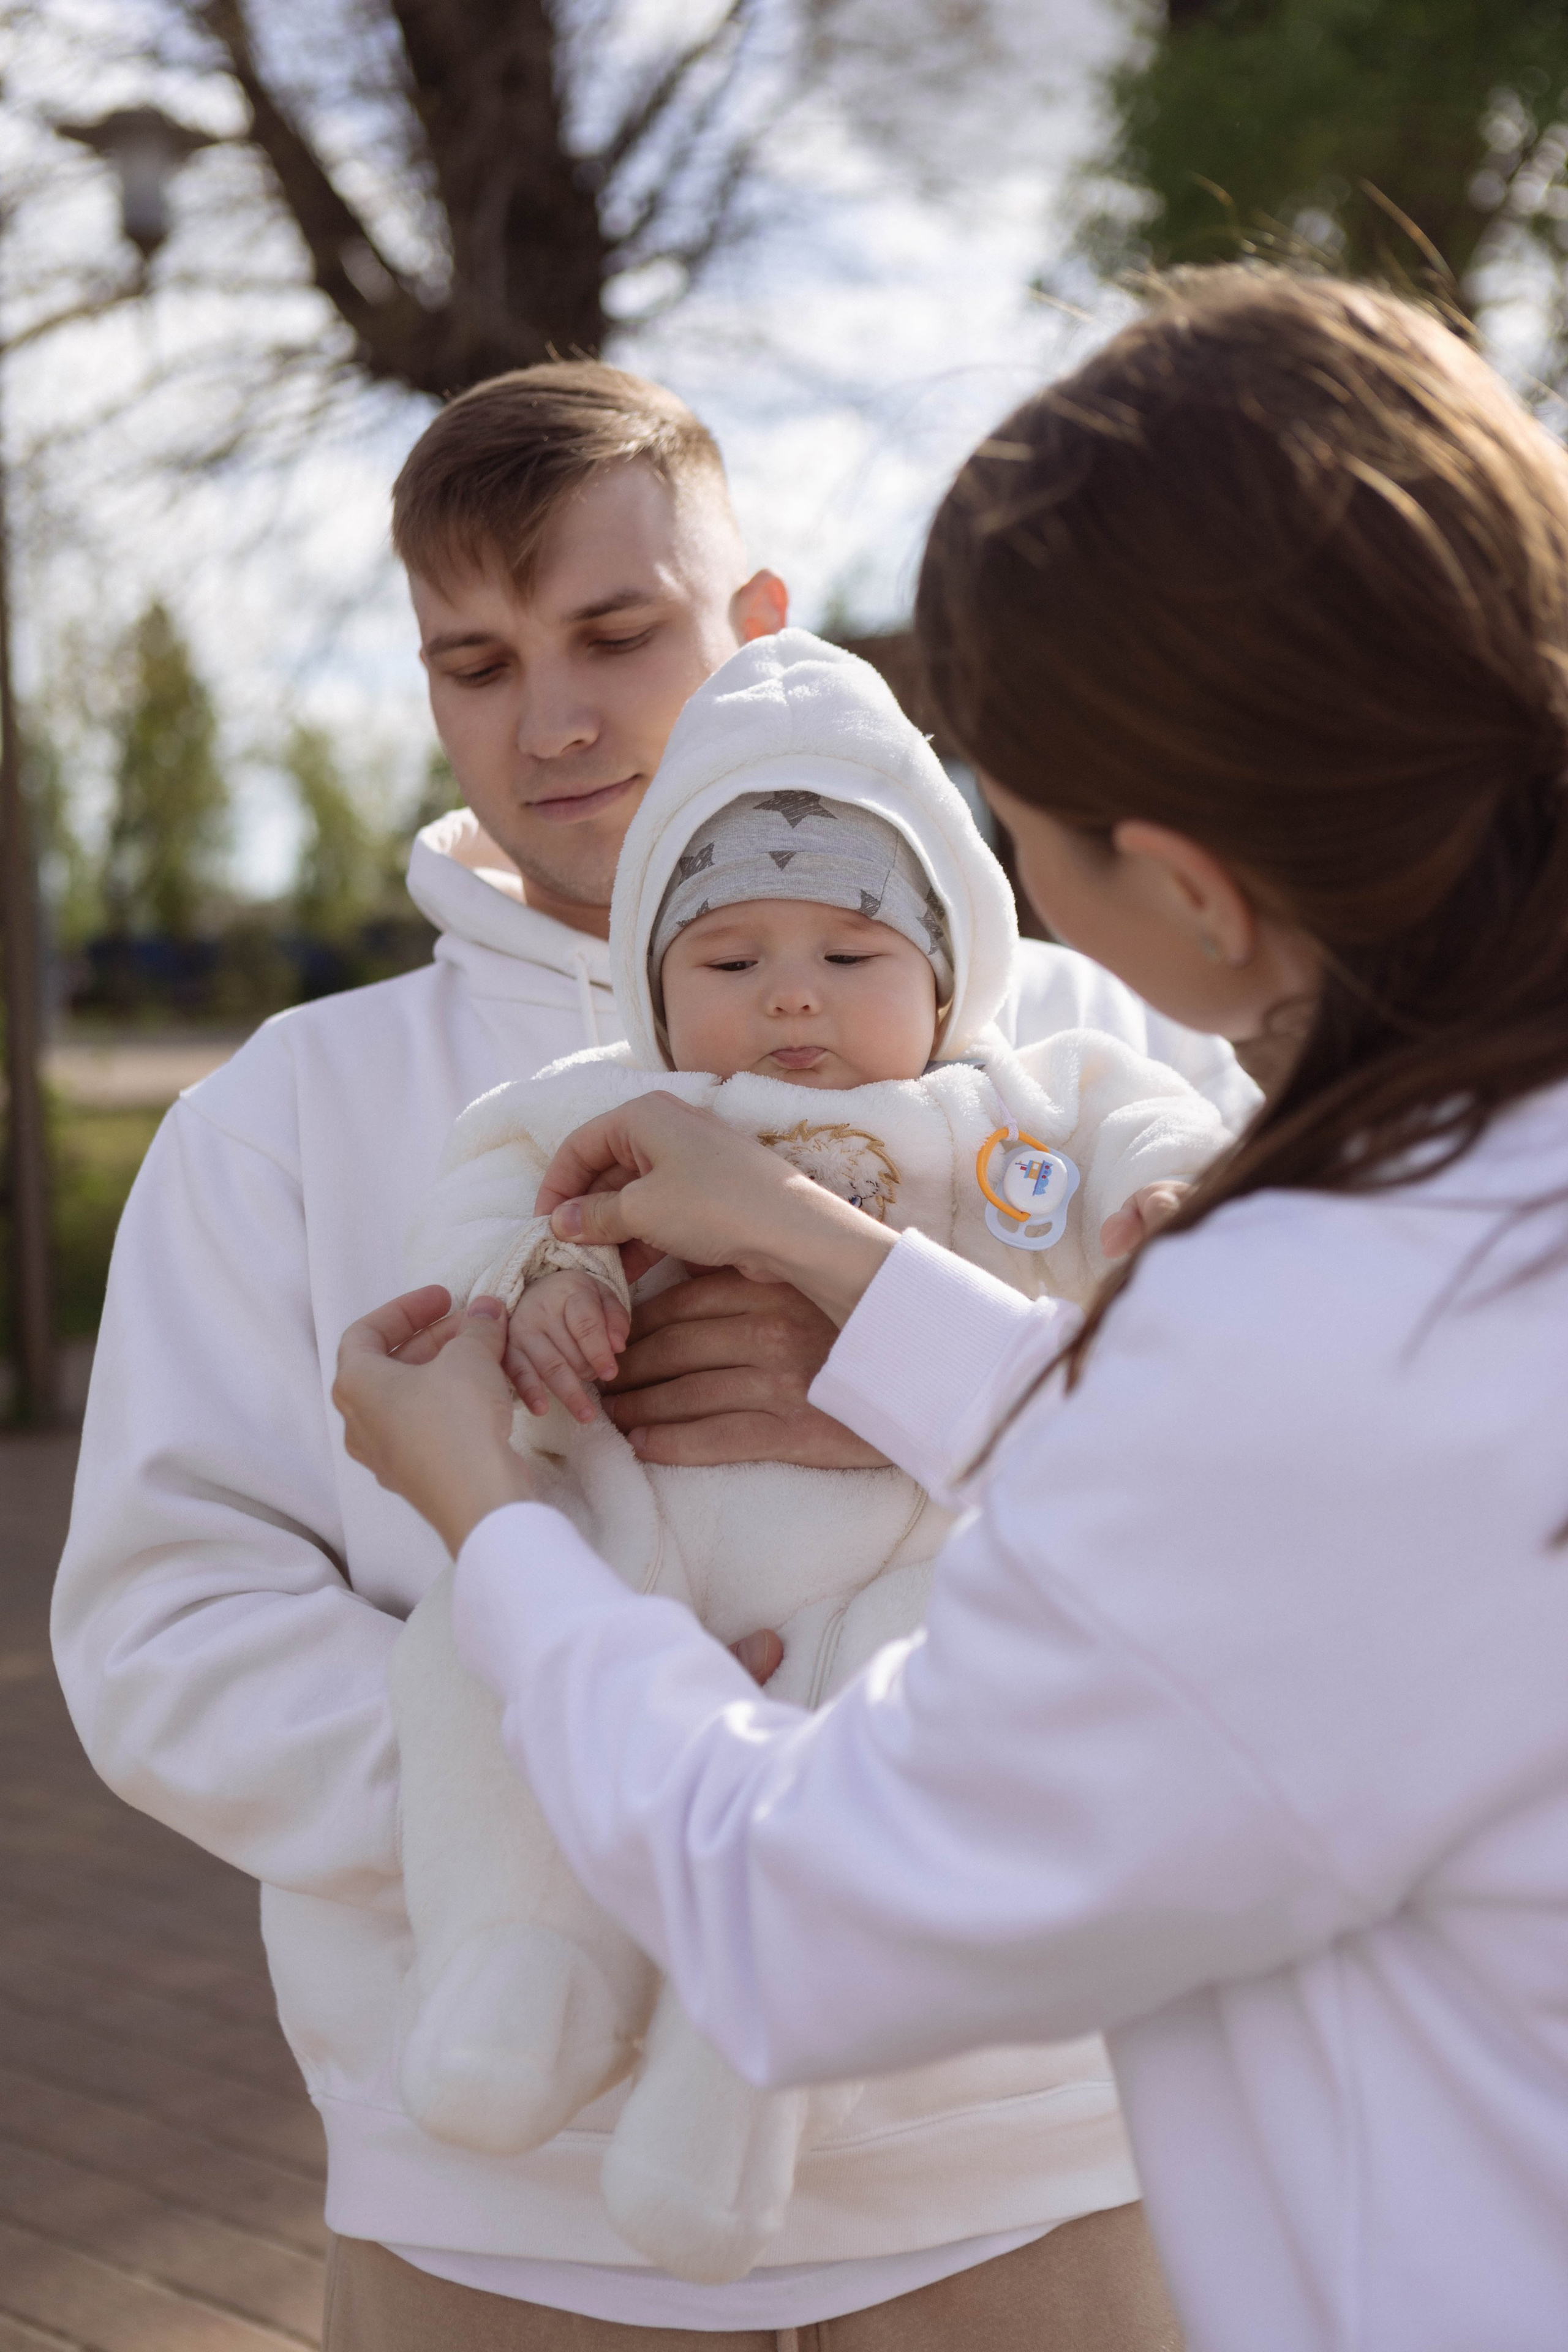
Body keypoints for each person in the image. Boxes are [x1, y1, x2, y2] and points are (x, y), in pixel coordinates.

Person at [334, 268, 1568, 2352]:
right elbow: (1252, 1506)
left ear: (1178, 886)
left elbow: (799, 1909)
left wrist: (504, 1534)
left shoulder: (1294, 1292)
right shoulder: (1431, 1241)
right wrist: (846, 1271)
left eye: (1000, 806)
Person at [54, 360, 1248, 2346]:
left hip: (1025, 2162)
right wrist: (597, 1775)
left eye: (618, 633)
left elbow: (1272, 1527)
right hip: (496, 2212)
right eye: (478, 663)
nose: (560, 720)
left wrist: (905, 1370)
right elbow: (168, 1625)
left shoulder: (1121, 1062)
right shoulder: (291, 1109)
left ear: (758, 626)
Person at [391, 627, 1229, 2289]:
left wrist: (1171, 1210)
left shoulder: (1020, 1106)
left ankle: (741, 2068)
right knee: (464, 1668)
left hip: (898, 1563)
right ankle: (521, 1961)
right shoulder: (600, 1102)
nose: (790, 994)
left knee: (902, 1711)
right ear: (650, 982)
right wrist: (534, 1293)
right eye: (730, 955)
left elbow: (1166, 1138)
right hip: (633, 1538)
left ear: (949, 971)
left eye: (853, 951)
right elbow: (484, 1208)